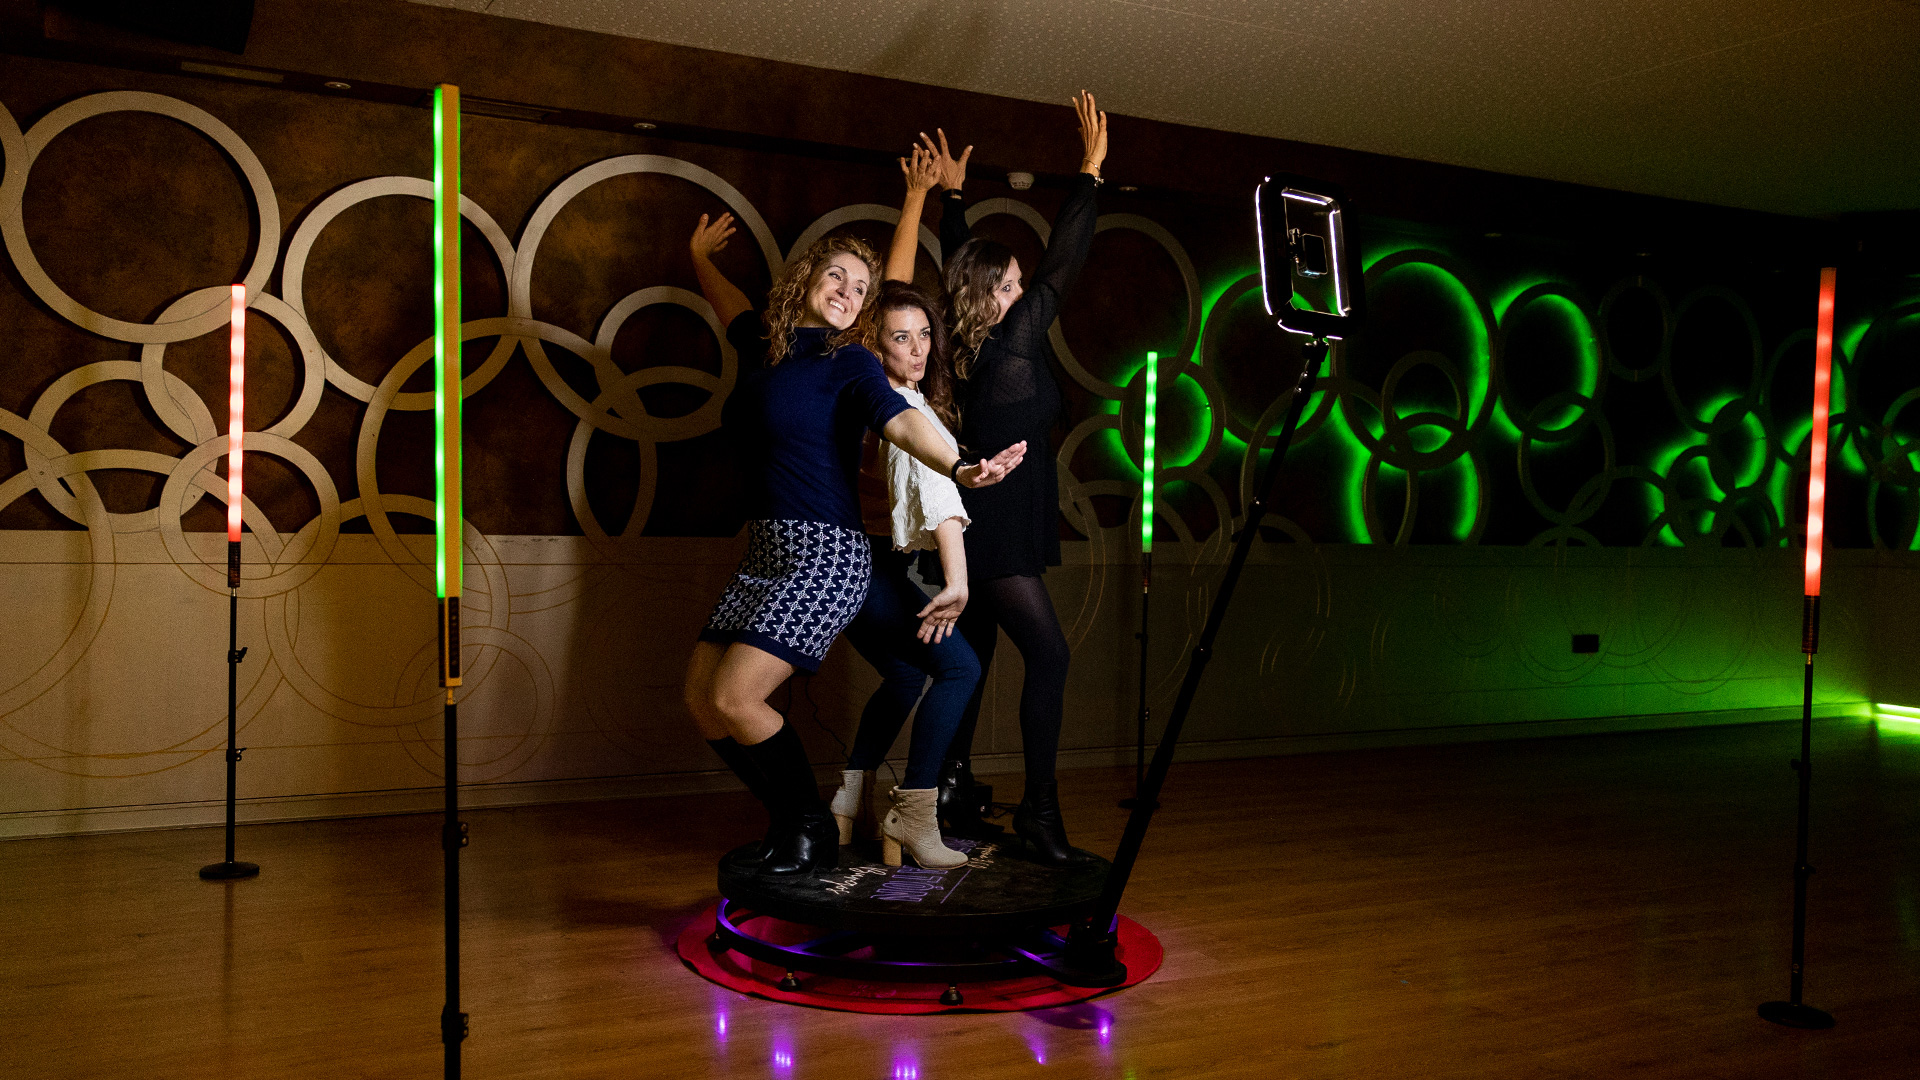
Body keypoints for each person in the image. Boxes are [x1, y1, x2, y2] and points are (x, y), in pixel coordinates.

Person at [682, 215, 1027, 878]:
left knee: (736, 697)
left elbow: (906, 425)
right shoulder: (766, 343)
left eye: (860, 286)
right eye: (835, 273)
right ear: (808, 277)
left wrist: (960, 467)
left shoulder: (851, 363)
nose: (845, 288)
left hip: (825, 554)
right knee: (702, 701)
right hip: (764, 552)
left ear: (865, 307)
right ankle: (791, 819)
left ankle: (810, 822)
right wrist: (698, 256)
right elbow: (730, 304)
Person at [904, 92, 1108, 867]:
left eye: (1019, 285)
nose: (1024, 294)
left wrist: (955, 199)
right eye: (1011, 284)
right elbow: (1062, 267)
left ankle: (950, 789)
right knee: (1048, 656)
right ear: (995, 298)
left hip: (991, 517)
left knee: (978, 656)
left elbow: (969, 268)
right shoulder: (1013, 342)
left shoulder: (971, 345)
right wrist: (1087, 175)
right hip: (996, 525)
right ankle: (1040, 817)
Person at [828, 280, 978, 869]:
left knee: (901, 675)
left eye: (923, 336)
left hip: (857, 567)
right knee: (961, 667)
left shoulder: (863, 400)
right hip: (860, 567)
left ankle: (846, 804)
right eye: (900, 338)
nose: (917, 349)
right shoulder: (900, 408)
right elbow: (938, 495)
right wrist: (956, 581)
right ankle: (913, 816)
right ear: (875, 345)